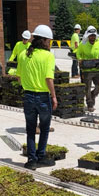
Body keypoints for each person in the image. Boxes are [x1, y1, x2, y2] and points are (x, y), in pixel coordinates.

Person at [21, 25, 58, 168]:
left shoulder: (25, 54)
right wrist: (54, 96)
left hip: (28, 96)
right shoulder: (48, 56)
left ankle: (32, 160)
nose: (49, 43)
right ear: (44, 40)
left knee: (30, 129)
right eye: (49, 41)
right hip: (43, 97)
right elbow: (49, 78)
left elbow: (19, 76)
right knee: (44, 127)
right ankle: (41, 156)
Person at [77, 27, 99, 112]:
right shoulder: (83, 44)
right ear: (88, 36)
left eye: (94, 36)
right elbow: (78, 53)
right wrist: (80, 60)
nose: (92, 38)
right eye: (91, 36)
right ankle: (90, 104)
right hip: (86, 70)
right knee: (87, 87)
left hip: (96, 69)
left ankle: (92, 94)